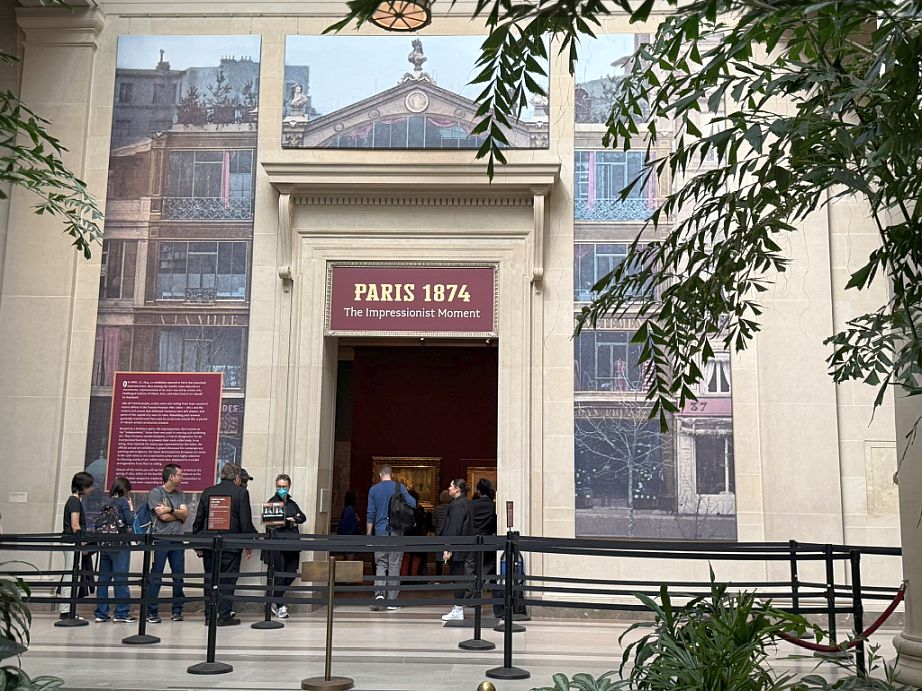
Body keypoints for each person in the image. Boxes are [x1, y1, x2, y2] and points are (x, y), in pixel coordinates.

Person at [192, 462, 256, 626]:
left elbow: (199, 520)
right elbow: (245, 521)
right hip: (231, 545)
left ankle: (209, 615)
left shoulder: (208, 492)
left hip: (209, 544)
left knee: (210, 579)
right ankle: (224, 615)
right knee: (228, 581)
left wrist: (197, 544)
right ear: (237, 477)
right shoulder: (241, 493)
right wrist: (249, 543)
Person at [366, 465, 416, 611]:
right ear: (391, 475)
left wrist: (369, 534)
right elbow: (413, 503)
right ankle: (392, 600)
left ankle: (379, 595)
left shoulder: (373, 490)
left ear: (380, 474)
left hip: (380, 531)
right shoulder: (399, 487)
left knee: (381, 563)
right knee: (394, 564)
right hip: (396, 531)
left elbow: (370, 513)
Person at [146, 463, 188, 623]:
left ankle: (177, 610)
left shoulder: (180, 494)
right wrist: (177, 514)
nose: (182, 477)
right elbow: (162, 517)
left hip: (178, 539)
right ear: (171, 477)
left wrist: (169, 510)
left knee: (178, 577)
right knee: (156, 576)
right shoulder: (156, 493)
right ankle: (151, 611)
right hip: (160, 539)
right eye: (180, 475)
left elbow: (185, 515)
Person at [260, 474, 306, 619]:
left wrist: (292, 519)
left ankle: (274, 599)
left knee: (291, 574)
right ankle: (278, 604)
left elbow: (302, 517)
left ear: (289, 486)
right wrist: (290, 521)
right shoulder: (272, 502)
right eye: (279, 486)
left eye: (284, 487)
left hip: (292, 544)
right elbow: (271, 522)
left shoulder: (292, 503)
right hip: (278, 545)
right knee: (279, 575)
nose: (281, 489)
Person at [94, 477, 136, 623]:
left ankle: (101, 613)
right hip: (120, 544)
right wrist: (131, 508)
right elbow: (130, 520)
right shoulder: (123, 501)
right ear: (125, 489)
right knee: (120, 579)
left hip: (105, 544)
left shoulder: (107, 502)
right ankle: (121, 613)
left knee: (103, 580)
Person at [59, 471, 95, 620]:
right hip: (73, 542)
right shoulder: (75, 502)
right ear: (82, 486)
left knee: (71, 574)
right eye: (89, 486)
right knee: (70, 575)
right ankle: (66, 610)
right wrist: (83, 541)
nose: (92, 489)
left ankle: (67, 609)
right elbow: (75, 524)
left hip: (71, 541)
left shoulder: (74, 500)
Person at [439, 478, 473, 622]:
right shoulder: (464, 502)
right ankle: (458, 608)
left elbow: (454, 528)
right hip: (461, 546)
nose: (449, 488)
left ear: (457, 489)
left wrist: (448, 547)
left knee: (457, 577)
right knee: (458, 576)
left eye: (451, 485)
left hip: (458, 547)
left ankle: (458, 609)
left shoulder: (458, 505)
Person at [471, 478, 499, 616]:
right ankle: (481, 584)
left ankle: (472, 594)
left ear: (478, 490)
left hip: (472, 540)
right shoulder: (493, 506)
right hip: (487, 539)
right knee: (488, 564)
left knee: (472, 567)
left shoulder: (472, 504)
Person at [432, 489, 452, 577]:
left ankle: (438, 578)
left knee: (438, 557)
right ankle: (452, 578)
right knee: (450, 555)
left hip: (438, 534)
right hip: (449, 534)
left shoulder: (437, 509)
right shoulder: (452, 508)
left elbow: (433, 523)